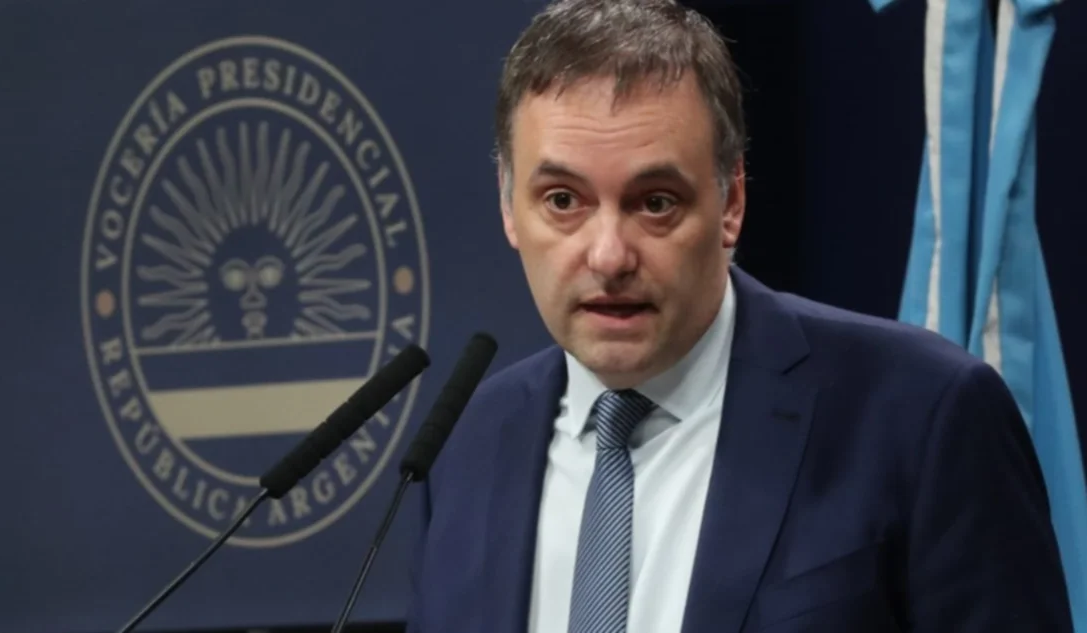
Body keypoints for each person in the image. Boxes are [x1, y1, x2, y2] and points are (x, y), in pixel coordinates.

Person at [404, 0, 1075, 631]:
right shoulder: (467, 448)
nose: (608, 256)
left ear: (731, 203)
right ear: (508, 206)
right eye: (562, 200)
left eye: (656, 202)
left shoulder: (922, 416)